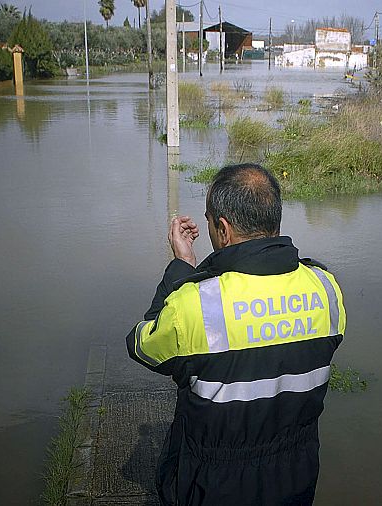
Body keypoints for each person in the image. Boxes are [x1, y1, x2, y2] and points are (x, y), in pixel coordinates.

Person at [126, 163, 346, 506]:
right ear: (274, 220)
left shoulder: (196, 302)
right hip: (296, 474)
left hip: (214, 484)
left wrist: (182, 265)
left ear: (223, 229)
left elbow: (144, 345)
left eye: (211, 222)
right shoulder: (325, 287)